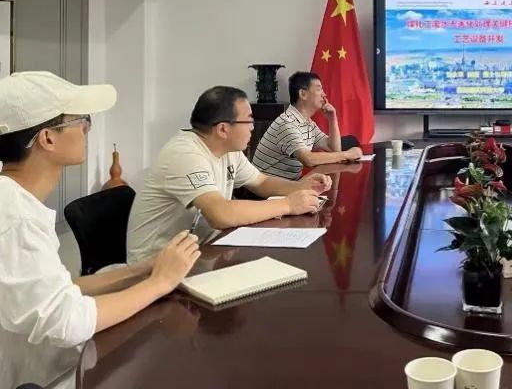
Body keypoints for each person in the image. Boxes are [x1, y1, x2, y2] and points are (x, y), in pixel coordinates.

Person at [0, 71, 200, 389]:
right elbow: (68, 321)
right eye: (82, 120)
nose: (87, 129)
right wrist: (159, 283)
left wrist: (142, 270)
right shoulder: (16, 216)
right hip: (52, 378)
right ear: (47, 138)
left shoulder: (15, 201)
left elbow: (62, 289)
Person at [126, 85, 332, 263]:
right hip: (154, 268)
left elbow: (261, 182)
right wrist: (288, 205)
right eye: (248, 121)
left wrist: (302, 187)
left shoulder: (228, 150)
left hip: (199, 254)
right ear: (223, 129)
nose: (253, 127)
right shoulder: (184, 154)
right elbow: (220, 214)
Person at [251, 71, 363, 180]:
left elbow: (334, 149)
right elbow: (308, 159)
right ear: (303, 94)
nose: (324, 95)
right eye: (319, 89)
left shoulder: (308, 123)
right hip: (265, 189)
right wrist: (348, 154)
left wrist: (332, 119)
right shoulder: (287, 123)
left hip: (288, 184)